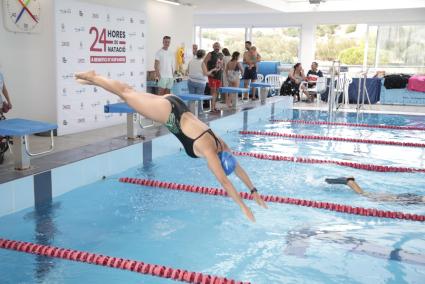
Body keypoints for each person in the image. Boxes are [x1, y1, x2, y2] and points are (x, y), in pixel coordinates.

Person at [75, 70, 268, 222]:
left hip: (176, 103)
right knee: (126, 94)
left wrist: (254, 191)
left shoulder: (220, 144)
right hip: (169, 114)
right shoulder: (210, 152)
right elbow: (225, 182)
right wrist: (243, 207)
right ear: (217, 162)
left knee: (129, 91)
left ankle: (94, 80)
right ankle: (94, 76)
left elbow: (238, 169)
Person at [325, 177, 425, 204]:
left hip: (410, 198)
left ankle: (349, 182)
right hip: (407, 199)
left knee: (368, 195)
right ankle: (349, 182)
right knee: (365, 195)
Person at [187, 49, 220, 114]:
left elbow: (188, 71)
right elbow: (205, 73)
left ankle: (190, 111)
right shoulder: (202, 62)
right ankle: (199, 112)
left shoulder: (191, 61)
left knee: (191, 97)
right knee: (199, 98)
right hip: (200, 83)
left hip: (191, 81)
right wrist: (213, 70)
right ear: (203, 55)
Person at [204, 42, 224, 113]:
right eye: (215, 46)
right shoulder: (210, 54)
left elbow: (222, 64)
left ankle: (214, 106)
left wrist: (222, 68)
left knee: (217, 91)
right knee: (213, 91)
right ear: (213, 47)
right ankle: (212, 108)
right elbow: (204, 63)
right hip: (212, 76)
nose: (217, 47)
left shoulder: (221, 55)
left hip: (219, 75)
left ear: (220, 47)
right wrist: (208, 72)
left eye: (218, 46)